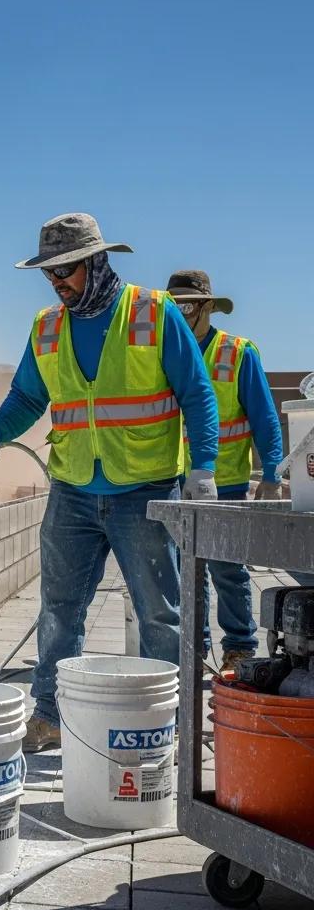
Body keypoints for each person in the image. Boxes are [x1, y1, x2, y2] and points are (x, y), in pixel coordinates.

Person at [0, 213, 219, 751]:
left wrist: (202, 470)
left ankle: (166, 722)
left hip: (145, 490)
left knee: (160, 614)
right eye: (49, 273)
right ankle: (51, 716)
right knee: (59, 609)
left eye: (67, 269)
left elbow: (196, 393)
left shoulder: (154, 313)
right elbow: (28, 397)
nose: (57, 281)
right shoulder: (48, 326)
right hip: (73, 490)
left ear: (97, 261)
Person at [167, 270, 283, 673]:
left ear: (208, 308)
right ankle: (195, 649)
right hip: (174, 482)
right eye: (173, 306)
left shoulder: (237, 353)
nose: (180, 315)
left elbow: (264, 418)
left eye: (187, 306)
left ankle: (238, 645)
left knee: (227, 570)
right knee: (186, 571)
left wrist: (271, 472)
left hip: (226, 484)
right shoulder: (163, 351)